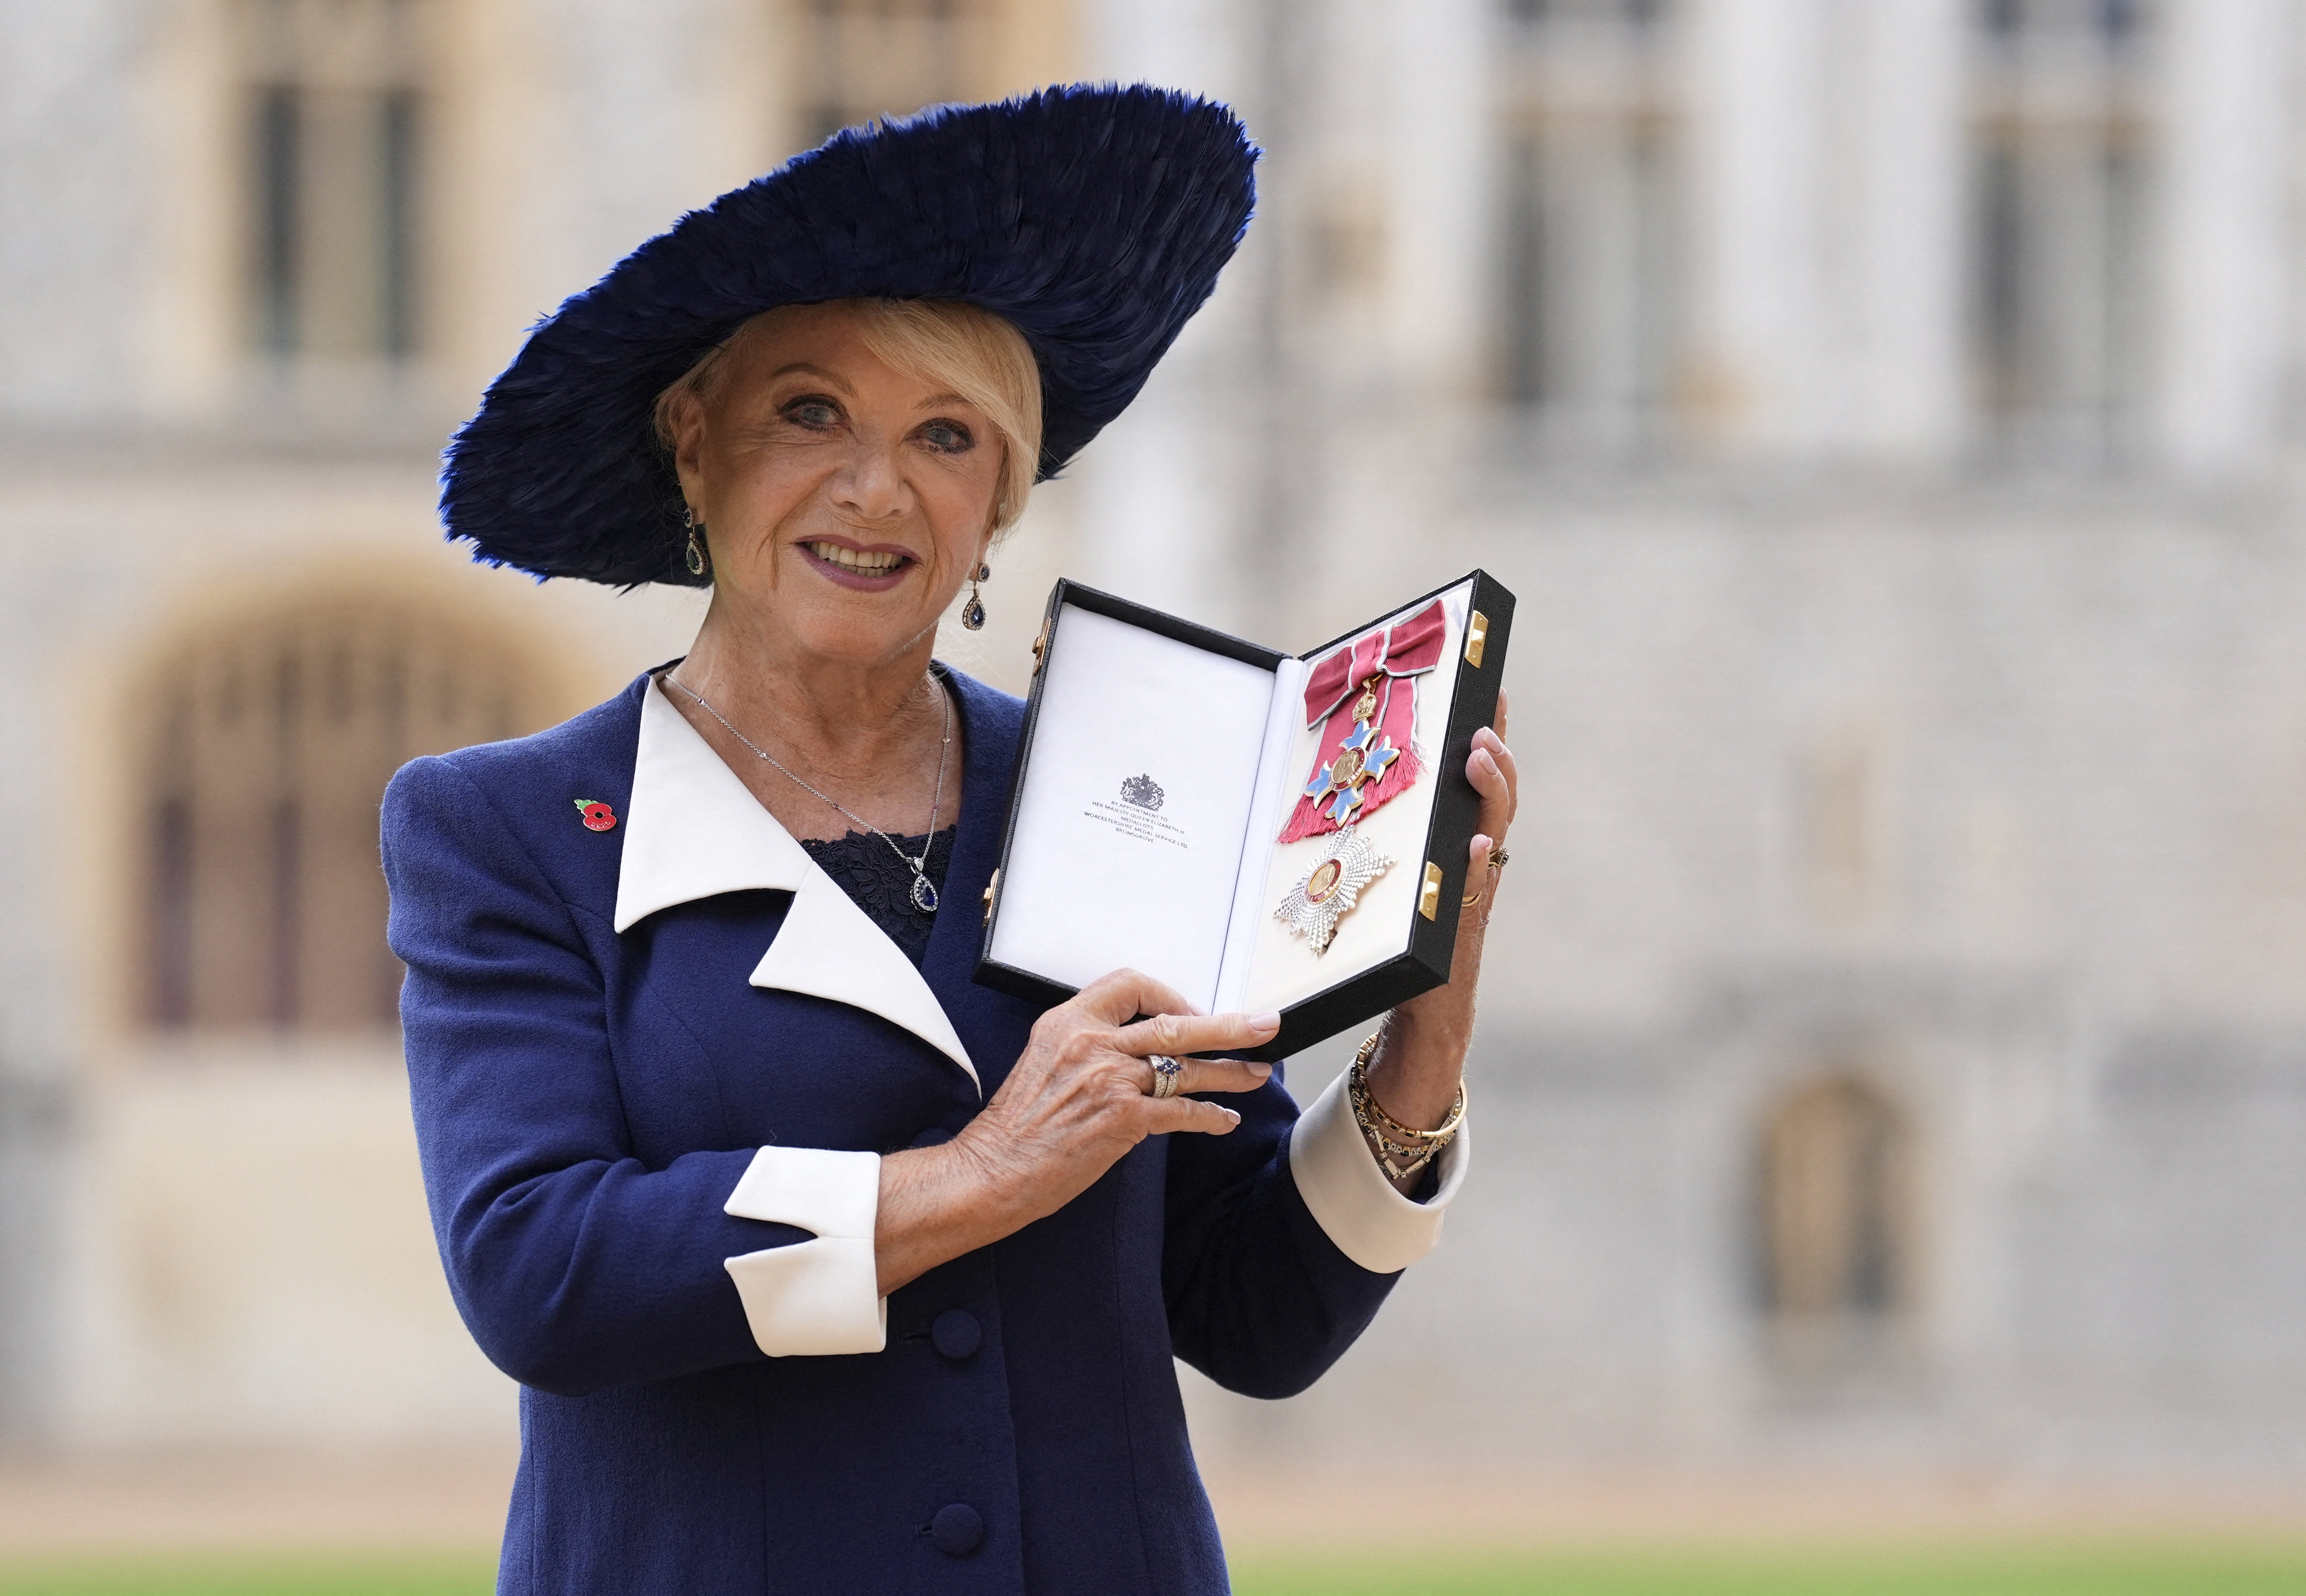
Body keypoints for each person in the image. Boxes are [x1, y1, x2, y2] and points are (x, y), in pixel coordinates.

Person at [381, 85, 1520, 1596]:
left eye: (946, 434)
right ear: (693, 440)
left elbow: (1252, 1312)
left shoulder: (1125, 781)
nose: (876, 487)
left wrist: (1421, 1041)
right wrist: (979, 1173)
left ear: (998, 507)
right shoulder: (510, 828)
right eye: (809, 412)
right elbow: (539, 1271)